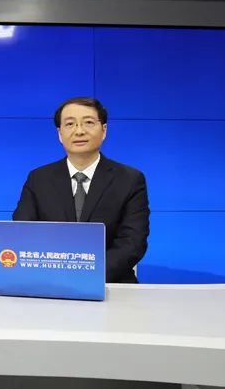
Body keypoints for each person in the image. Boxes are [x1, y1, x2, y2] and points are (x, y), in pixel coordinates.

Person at [13, 97, 149, 283]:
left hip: (110, 283)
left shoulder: (129, 179)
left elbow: (132, 242)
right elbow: (23, 233)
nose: (79, 131)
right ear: (60, 133)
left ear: (104, 130)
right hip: (49, 283)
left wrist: (88, 276)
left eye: (88, 122)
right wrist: (55, 275)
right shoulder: (38, 178)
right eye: (70, 124)